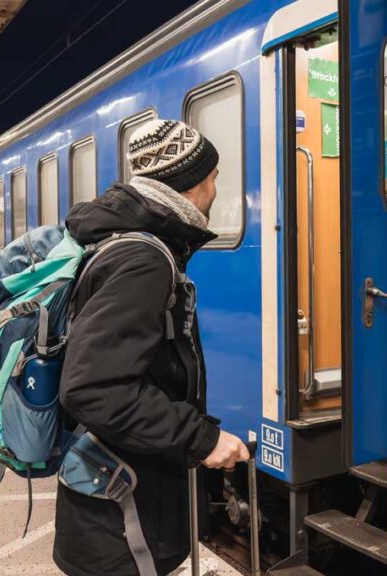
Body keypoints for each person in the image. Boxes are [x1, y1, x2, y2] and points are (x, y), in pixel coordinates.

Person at [54, 119, 250, 576]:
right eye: (214, 176)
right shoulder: (144, 260)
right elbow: (94, 387)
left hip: (114, 506)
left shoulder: (126, 244)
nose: (217, 188)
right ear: (193, 183)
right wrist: (200, 439)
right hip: (124, 521)